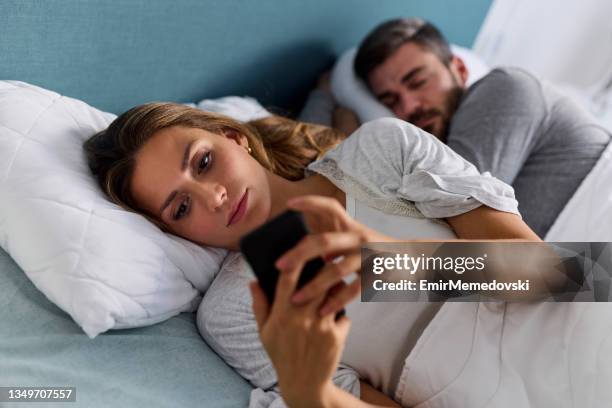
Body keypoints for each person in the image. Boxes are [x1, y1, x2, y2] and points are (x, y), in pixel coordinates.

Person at [84, 102, 539, 406]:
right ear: (175, 233)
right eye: (182, 207)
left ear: (233, 137)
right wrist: (311, 391)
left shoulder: (380, 153)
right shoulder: (236, 311)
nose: (215, 197)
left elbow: (564, 274)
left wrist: (390, 265)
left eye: (203, 162)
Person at [305, 18, 611, 238]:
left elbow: (435, 232)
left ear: (460, 69)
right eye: (391, 100)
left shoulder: (504, 88)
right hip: (576, 280)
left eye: (418, 82)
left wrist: (345, 133)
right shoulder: (430, 155)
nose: (409, 106)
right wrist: (325, 99)